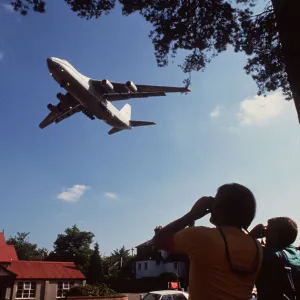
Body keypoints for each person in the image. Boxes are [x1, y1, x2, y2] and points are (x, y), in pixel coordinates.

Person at [152, 183, 263, 300]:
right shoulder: (256, 247)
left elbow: (159, 240)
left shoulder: (202, 237)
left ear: (220, 208)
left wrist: (192, 214)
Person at [250, 217, 300, 300]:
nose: (265, 232)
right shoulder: (297, 254)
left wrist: (251, 236)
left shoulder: (267, 255)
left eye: (268, 229)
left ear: (275, 235)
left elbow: (234, 254)